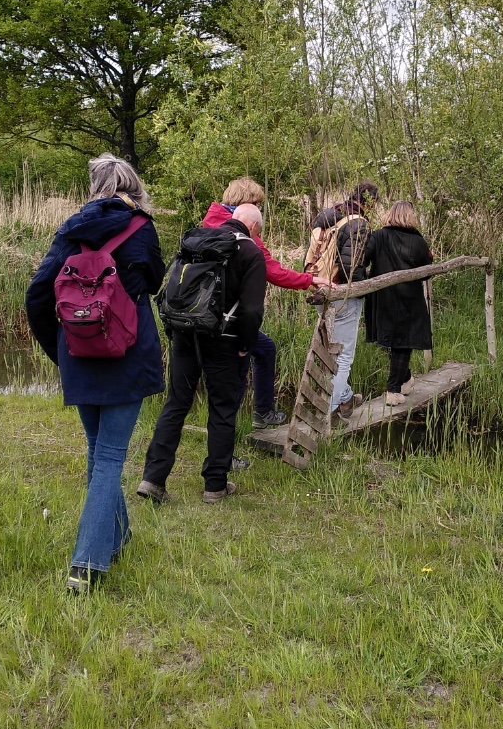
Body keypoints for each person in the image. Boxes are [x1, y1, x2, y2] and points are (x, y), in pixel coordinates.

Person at [25, 154, 165, 594]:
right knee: (108, 460)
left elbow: (37, 297)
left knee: (98, 451)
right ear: (132, 185)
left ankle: (117, 535)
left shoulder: (69, 231)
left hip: (80, 353)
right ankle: (85, 565)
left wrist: (60, 350)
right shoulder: (142, 228)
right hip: (126, 353)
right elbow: (156, 281)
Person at [137, 204, 267, 505]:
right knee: (222, 408)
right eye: (259, 230)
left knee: (176, 403)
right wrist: (246, 344)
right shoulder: (250, 252)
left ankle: (153, 479)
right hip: (225, 340)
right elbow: (251, 309)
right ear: (254, 226)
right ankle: (214, 487)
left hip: (184, 333)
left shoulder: (198, 241)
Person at [200, 177, 330, 428]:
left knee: (257, 354)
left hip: (205, 314)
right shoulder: (243, 232)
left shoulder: (208, 224)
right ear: (246, 204)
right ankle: (250, 424)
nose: (259, 209)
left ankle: (257, 415)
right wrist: (310, 280)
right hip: (231, 319)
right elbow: (273, 271)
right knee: (238, 375)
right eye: (257, 203)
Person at [307, 181, 377, 419]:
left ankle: (344, 398)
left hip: (319, 288)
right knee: (343, 354)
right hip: (341, 293)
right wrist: (363, 286)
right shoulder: (359, 224)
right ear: (370, 203)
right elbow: (351, 267)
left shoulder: (326, 216)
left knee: (330, 351)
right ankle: (328, 412)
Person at [363, 201, 433, 406]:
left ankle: (404, 379)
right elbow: (427, 271)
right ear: (410, 216)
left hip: (382, 297)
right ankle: (393, 391)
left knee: (391, 340)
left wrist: (368, 277)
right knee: (403, 342)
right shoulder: (418, 241)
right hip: (408, 298)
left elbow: (362, 259)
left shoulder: (377, 236)